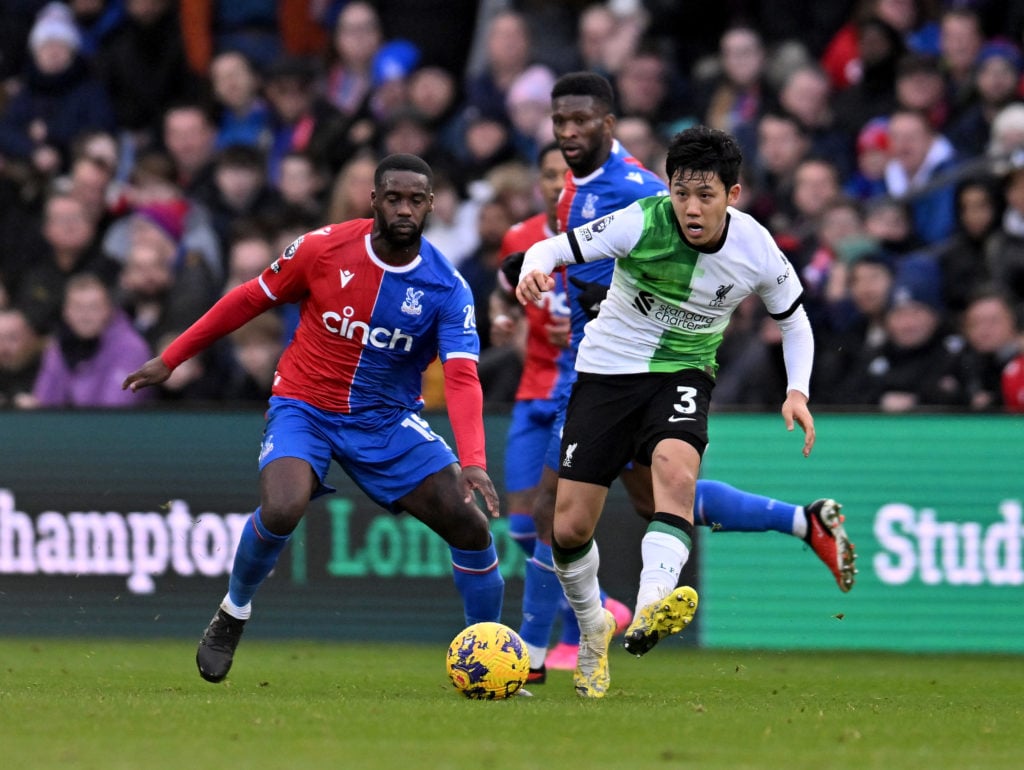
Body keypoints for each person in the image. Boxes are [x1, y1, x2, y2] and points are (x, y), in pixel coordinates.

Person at [501, 72, 855, 685]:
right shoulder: (640, 220)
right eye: (683, 193)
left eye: (706, 196)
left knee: (674, 473)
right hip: (606, 373)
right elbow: (554, 250)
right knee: (568, 524)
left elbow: (795, 322)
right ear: (670, 188)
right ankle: (591, 631)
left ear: (733, 194)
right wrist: (533, 270)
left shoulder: (758, 248)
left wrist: (797, 390)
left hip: (683, 372)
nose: (692, 208)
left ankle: (643, 612)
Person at [122, 153, 504, 684]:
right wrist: (172, 357)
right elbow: (248, 299)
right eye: (393, 197)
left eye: (415, 200)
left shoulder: (447, 288)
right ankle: (233, 611)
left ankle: (486, 658)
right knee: (282, 507)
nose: (404, 209)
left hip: (386, 419)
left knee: (471, 526)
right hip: (305, 405)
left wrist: (475, 460)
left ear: (432, 206)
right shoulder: (323, 248)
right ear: (373, 200)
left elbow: (463, 378)